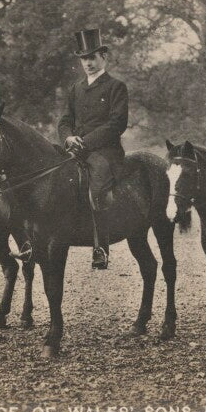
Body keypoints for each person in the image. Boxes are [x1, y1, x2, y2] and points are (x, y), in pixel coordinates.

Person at [57, 28, 129, 270]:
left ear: (103, 57)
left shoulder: (116, 86)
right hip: (75, 148)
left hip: (104, 151)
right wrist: (68, 138)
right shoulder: (76, 88)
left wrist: (85, 142)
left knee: (97, 189)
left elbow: (117, 124)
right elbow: (65, 120)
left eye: (92, 58)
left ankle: (101, 248)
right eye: (84, 59)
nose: (87, 63)